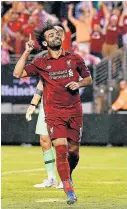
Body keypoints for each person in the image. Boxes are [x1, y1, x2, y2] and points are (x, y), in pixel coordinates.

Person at [13, 22, 92, 204]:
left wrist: (78, 84)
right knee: (61, 149)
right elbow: (18, 73)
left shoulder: (75, 58)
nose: (56, 36)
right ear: (46, 43)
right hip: (53, 113)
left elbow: (88, 79)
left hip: (74, 111)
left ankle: (68, 176)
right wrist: (26, 52)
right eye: (51, 35)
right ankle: (68, 189)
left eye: (57, 34)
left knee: (73, 152)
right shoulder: (40, 62)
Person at [26, 79, 63, 189]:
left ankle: (66, 179)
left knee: (60, 142)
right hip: (46, 106)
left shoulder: (67, 62)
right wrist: (33, 104)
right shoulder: (44, 64)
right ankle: (51, 178)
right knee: (44, 140)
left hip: (63, 106)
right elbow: (41, 83)